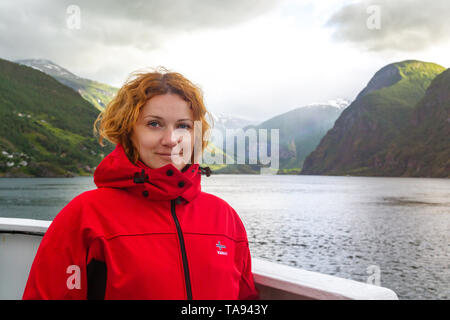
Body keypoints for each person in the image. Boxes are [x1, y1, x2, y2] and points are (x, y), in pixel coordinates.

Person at [22, 67, 259, 300]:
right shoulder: (85, 216)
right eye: (154, 124)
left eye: (183, 126)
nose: (170, 140)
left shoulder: (225, 218)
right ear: (128, 132)